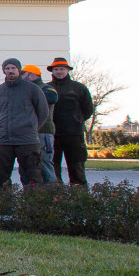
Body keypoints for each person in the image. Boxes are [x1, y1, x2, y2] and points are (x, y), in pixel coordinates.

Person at [0, 57, 51, 189]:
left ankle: (33, 200)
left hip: (27, 140)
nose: (10, 71)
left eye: (13, 68)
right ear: (4, 71)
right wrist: (0, 126)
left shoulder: (32, 89)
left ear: (19, 70)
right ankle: (4, 201)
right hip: (4, 140)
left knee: (33, 175)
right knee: (1, 177)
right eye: (7, 68)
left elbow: (43, 112)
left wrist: (32, 128)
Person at [48, 57, 94, 185]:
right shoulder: (47, 88)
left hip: (74, 134)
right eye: (56, 69)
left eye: (62, 69)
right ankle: (56, 193)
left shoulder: (79, 88)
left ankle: (79, 193)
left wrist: (77, 120)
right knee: (53, 168)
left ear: (67, 70)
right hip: (52, 134)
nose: (59, 72)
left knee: (76, 167)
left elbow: (88, 109)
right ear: (52, 71)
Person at [27, 65, 59, 184]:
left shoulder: (47, 89)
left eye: (23, 74)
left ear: (32, 75)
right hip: (30, 133)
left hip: (43, 132)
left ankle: (51, 192)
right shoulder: (27, 89)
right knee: (32, 165)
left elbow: (52, 98)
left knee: (45, 164)